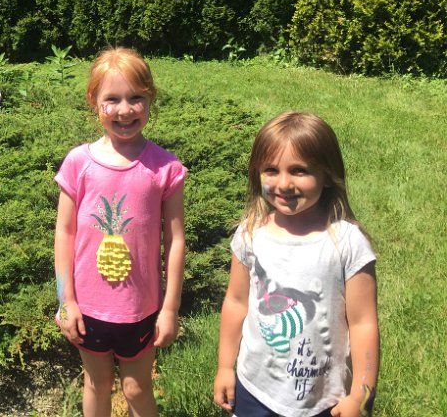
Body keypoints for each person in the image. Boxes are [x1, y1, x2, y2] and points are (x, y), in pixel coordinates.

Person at [213, 112, 379, 417]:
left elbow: (363, 323)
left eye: (299, 170)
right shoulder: (250, 233)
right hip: (255, 390)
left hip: (323, 400)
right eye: (271, 170)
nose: (284, 183)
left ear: (327, 174)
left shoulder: (347, 243)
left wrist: (361, 395)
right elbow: (236, 302)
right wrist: (225, 366)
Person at [54, 47, 187, 417]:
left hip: (141, 309)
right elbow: (64, 233)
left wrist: (170, 308)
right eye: (112, 99)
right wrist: (66, 300)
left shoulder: (165, 168)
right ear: (93, 101)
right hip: (87, 307)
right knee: (96, 384)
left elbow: (175, 240)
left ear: (151, 99)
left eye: (136, 98)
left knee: (136, 388)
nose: (125, 110)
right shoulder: (78, 163)